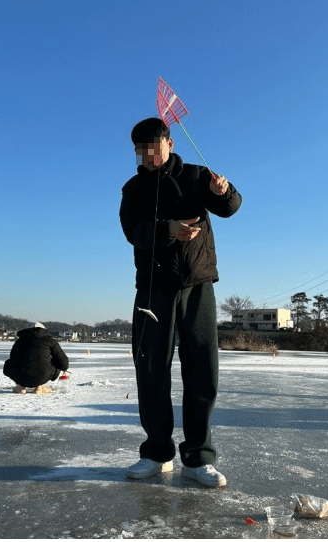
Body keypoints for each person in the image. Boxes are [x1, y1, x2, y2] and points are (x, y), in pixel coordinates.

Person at [119, 117, 242, 487]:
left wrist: (224, 190)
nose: (148, 157)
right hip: (153, 288)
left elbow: (231, 207)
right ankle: (156, 453)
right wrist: (168, 230)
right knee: (152, 371)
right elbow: (133, 232)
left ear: (169, 144)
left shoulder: (195, 175)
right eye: (141, 151)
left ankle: (198, 458)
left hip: (197, 285)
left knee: (202, 370)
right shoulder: (133, 188)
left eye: (154, 149)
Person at [3, 322, 69, 394]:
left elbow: (12, 357)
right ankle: (39, 387)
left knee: (8, 363)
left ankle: (21, 387)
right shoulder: (50, 341)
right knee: (55, 362)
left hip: (19, 376)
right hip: (42, 376)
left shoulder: (19, 341)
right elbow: (63, 361)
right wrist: (63, 368)